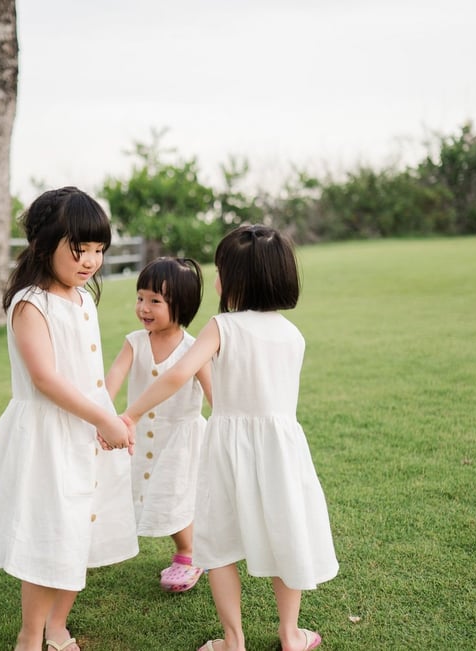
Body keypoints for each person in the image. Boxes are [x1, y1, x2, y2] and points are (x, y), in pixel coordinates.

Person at [121, 224, 339, 651]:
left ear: (238, 278)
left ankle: (233, 641)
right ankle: (291, 635)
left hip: (227, 446)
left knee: (218, 543)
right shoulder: (292, 334)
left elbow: (180, 372)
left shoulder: (222, 326)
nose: (216, 277)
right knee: (284, 533)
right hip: (281, 449)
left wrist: (129, 413)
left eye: (220, 268)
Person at [0, 187, 138, 651]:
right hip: (48, 434)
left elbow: (90, 376)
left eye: (98, 250)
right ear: (44, 244)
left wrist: (110, 418)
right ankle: (30, 637)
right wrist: (104, 419)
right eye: (79, 249)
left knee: (81, 529)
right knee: (50, 534)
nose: (90, 261)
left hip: (85, 429)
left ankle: (57, 627)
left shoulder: (83, 300)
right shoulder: (30, 303)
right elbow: (46, 380)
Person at [105, 257, 213, 593]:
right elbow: (113, 378)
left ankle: (188, 552)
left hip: (179, 438)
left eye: (155, 301)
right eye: (140, 298)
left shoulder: (194, 349)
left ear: (181, 305)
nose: (144, 308)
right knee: (140, 493)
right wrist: (103, 412)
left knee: (172, 497)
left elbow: (214, 395)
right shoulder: (135, 341)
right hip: (138, 437)